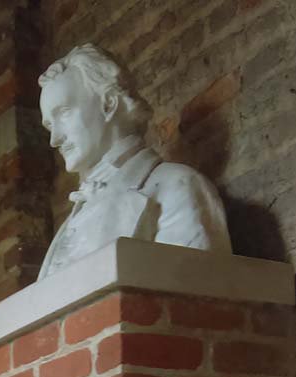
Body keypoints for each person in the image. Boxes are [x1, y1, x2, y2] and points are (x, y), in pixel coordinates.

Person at [38, 43, 231, 281]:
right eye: (49, 125)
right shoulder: (69, 225)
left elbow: (193, 303)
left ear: (108, 103)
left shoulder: (177, 187)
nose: (55, 139)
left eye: (64, 113)